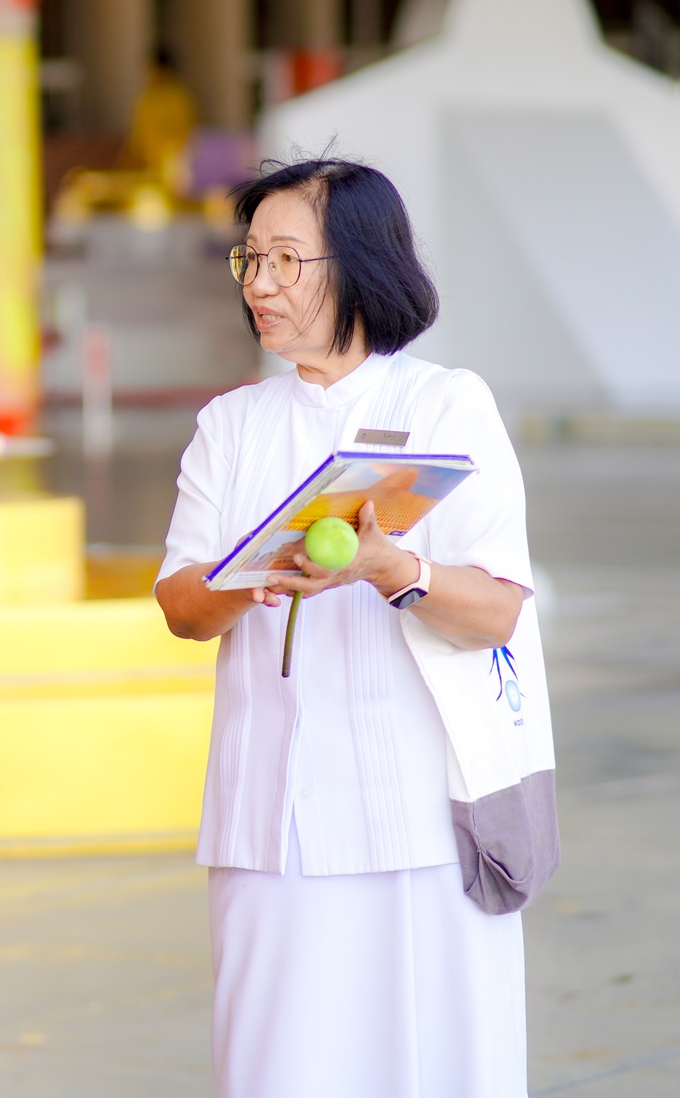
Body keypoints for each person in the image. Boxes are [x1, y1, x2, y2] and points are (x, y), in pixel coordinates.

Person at [153, 158, 556, 1098]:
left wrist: (391, 569)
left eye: (286, 260)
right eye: (249, 259)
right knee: (276, 1071)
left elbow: (496, 608)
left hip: (419, 819)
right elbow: (178, 604)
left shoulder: (444, 404)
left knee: (437, 1069)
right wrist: (246, 578)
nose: (259, 283)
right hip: (268, 824)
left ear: (361, 265)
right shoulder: (231, 424)